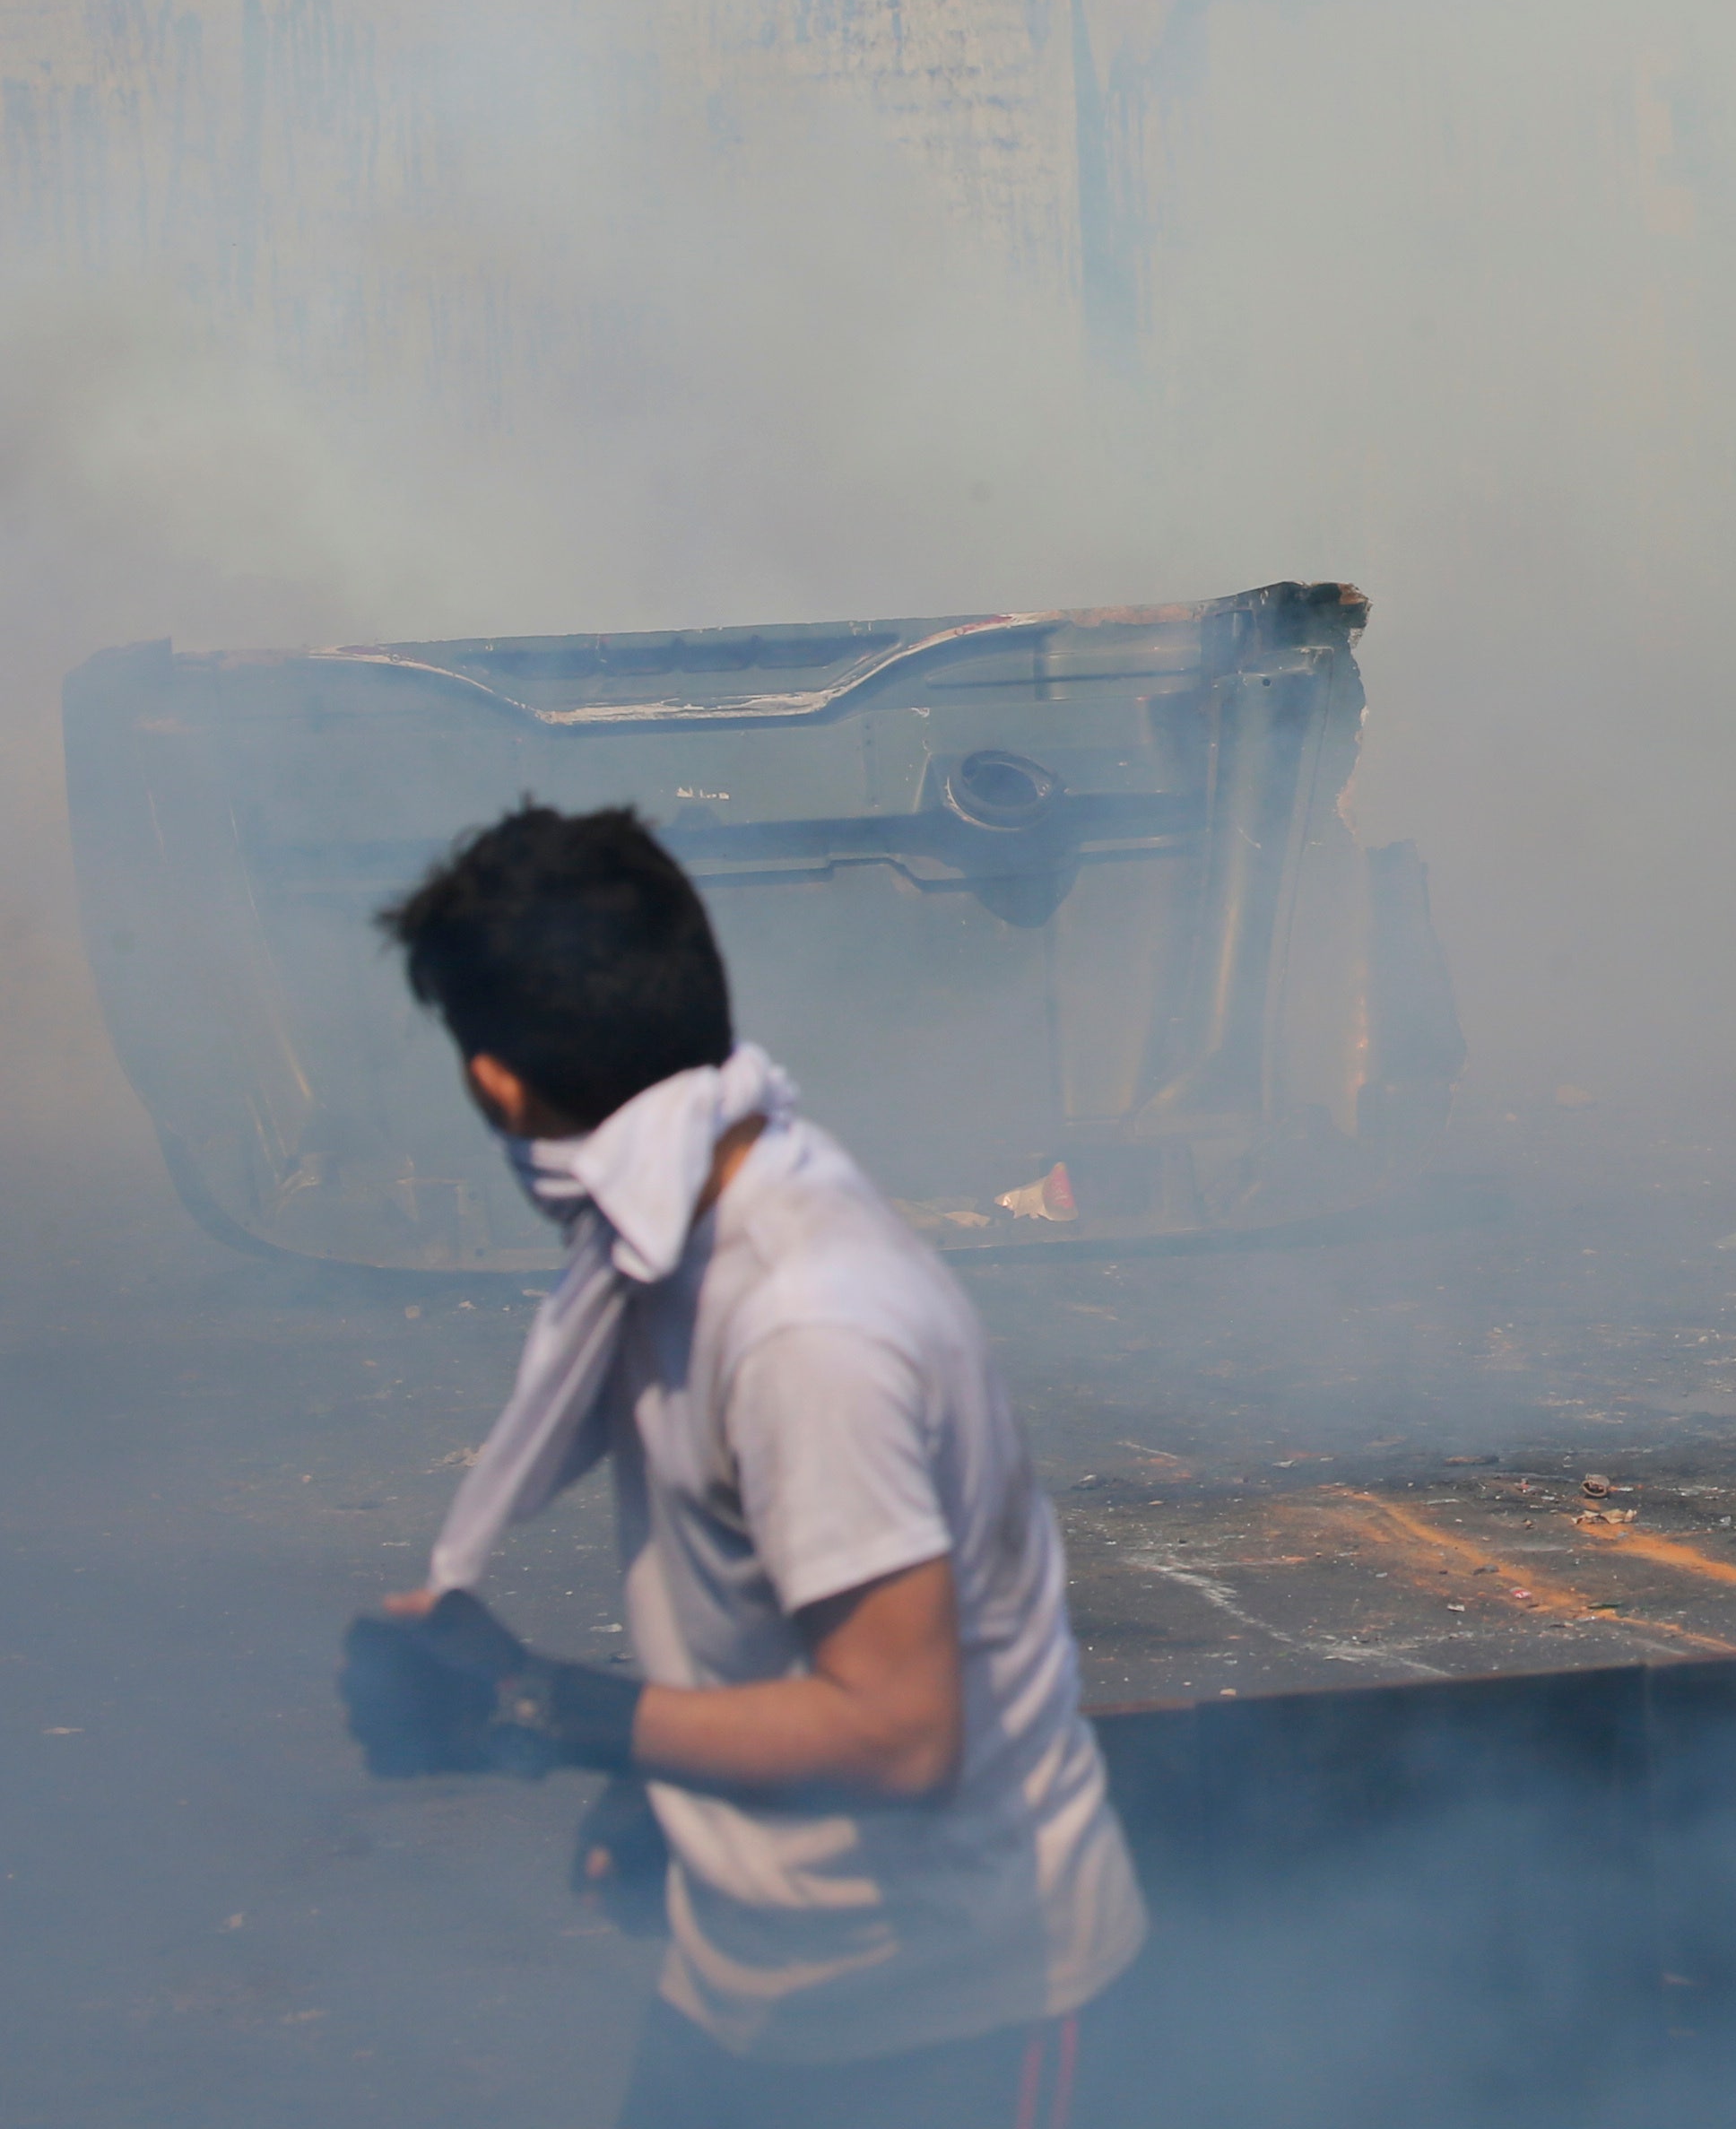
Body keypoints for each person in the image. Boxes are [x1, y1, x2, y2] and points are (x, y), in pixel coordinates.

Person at [338, 805, 1145, 2129]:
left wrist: (541, 1709)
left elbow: (900, 1732)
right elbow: (762, 1599)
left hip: (953, 2021)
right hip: (753, 1993)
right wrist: (668, 1784)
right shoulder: (689, 1224)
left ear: (493, 1081)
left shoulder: (803, 1324)